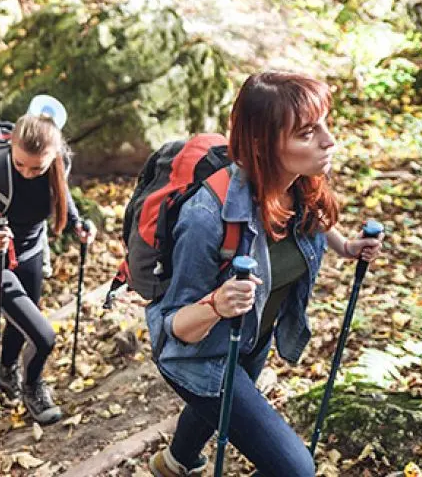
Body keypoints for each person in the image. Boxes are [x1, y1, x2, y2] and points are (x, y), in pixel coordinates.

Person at [146, 71, 384, 477]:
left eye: (326, 124)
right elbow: (176, 331)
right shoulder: (206, 216)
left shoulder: (299, 184)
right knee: (295, 470)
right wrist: (217, 305)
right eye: (308, 132)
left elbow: (311, 220)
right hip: (199, 357)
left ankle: (173, 464)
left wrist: (345, 247)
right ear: (263, 143)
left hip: (251, 342)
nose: (329, 141)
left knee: (218, 408)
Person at [0, 112, 96, 425]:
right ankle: (32, 386)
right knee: (44, 336)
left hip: (31, 252)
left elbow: (61, 193)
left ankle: (6, 373)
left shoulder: (59, 165)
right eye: (20, 164)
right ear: (11, 146)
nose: (28, 173)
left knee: (21, 324)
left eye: (38, 167)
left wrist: (76, 223)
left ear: (54, 156)